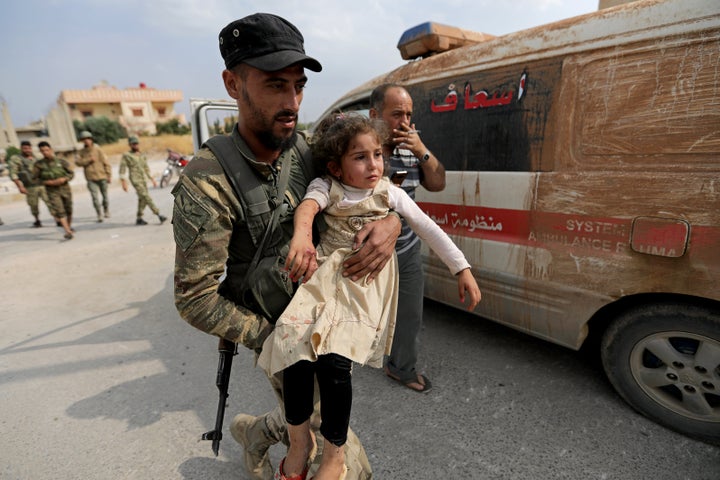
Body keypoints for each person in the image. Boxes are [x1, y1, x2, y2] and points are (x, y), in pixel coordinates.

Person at [171, 13, 400, 480]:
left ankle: (259, 432)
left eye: (298, 85)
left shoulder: (309, 149)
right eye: (276, 85)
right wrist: (273, 338)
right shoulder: (207, 181)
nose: (292, 101)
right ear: (233, 84)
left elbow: (367, 189)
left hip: (333, 318)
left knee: (314, 417)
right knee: (346, 461)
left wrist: (393, 223)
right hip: (278, 328)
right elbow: (194, 297)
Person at [257, 114, 481, 480]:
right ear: (336, 166)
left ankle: (333, 457)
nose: (374, 164)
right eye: (360, 157)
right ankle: (299, 444)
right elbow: (307, 208)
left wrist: (462, 268)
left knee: (334, 367)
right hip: (322, 282)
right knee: (292, 354)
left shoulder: (390, 193)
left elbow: (427, 226)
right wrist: (301, 237)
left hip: (361, 288)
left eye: (377, 154)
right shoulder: (326, 186)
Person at [369, 84, 446, 393]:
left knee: (410, 314)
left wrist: (421, 150)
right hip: (367, 251)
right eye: (396, 114)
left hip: (407, 249)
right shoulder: (362, 149)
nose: (404, 122)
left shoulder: (412, 151)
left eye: (409, 115)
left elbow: (438, 182)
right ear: (375, 115)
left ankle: (401, 367)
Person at [119, 136, 167, 225]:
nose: (135, 145)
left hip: (143, 179)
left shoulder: (141, 155)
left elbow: (146, 168)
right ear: (130, 145)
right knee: (146, 196)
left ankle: (139, 218)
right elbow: (122, 169)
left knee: (142, 199)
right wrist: (123, 182)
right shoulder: (127, 155)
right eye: (133, 144)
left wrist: (152, 179)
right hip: (135, 179)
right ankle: (159, 214)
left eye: (136, 143)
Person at [33, 141, 75, 239]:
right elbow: (34, 179)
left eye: (47, 150)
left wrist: (65, 179)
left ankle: (68, 226)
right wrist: (47, 182)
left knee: (68, 209)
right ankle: (67, 231)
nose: (45, 152)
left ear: (51, 150)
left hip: (65, 188)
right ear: (40, 152)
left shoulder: (61, 161)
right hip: (52, 191)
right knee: (60, 210)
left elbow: (71, 173)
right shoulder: (38, 165)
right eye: (42, 151)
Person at [7, 140, 50, 227]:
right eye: (25, 148)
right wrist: (20, 187)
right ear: (21, 149)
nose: (27, 150)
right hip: (30, 186)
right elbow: (13, 174)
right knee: (33, 205)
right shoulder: (16, 159)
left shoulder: (37, 157)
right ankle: (37, 220)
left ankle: (58, 219)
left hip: (42, 184)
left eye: (29, 148)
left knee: (50, 202)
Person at [75, 130, 112, 222]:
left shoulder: (98, 150)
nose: (86, 141)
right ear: (82, 141)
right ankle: (99, 214)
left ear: (91, 139)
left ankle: (106, 209)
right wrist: (88, 160)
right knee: (95, 198)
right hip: (90, 178)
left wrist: (109, 175)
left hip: (102, 176)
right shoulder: (80, 152)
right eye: (84, 139)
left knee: (105, 196)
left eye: (88, 138)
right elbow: (78, 162)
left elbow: (106, 162)